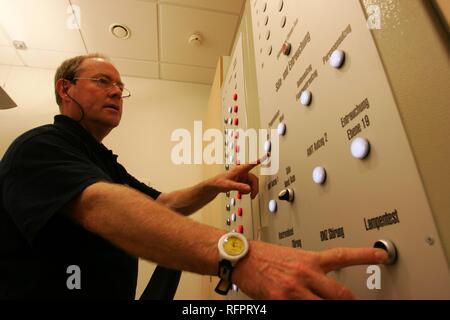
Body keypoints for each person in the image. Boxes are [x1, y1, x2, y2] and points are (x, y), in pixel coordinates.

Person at [0, 53, 387, 300]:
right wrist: (241, 257)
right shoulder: (39, 147)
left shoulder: (101, 160)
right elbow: (100, 205)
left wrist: (213, 185)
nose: (116, 92)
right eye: (103, 82)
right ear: (64, 89)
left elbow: (161, 205)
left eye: (120, 86)